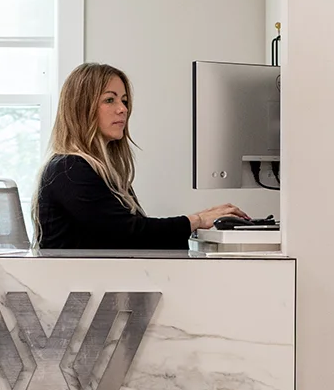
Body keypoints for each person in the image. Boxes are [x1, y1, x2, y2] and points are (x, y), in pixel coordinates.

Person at [32, 62, 249, 250]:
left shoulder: (104, 172)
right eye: (110, 100)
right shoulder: (69, 168)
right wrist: (197, 220)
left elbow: (136, 236)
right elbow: (129, 234)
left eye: (124, 101)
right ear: (81, 108)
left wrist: (200, 224)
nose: (122, 109)